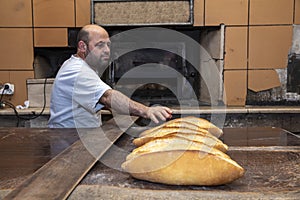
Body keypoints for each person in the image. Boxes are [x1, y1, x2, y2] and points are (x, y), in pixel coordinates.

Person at [48, 24, 172, 128]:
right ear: (82, 46)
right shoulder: (77, 71)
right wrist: (146, 111)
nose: (107, 50)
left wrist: (123, 114)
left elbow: (103, 102)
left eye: (108, 45)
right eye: (100, 45)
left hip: (80, 137)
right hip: (68, 141)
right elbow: (107, 97)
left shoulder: (84, 67)